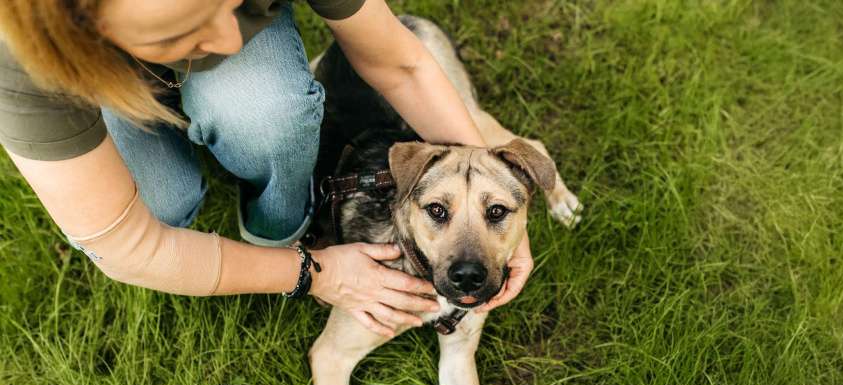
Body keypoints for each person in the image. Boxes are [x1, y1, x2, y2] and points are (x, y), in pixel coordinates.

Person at [0, 0, 534, 337]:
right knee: (161, 206)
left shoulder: (226, 32)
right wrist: (315, 274)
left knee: (272, 109)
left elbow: (403, 62)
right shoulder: (19, 60)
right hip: (97, 76)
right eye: (174, 33)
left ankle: (278, 229)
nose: (233, 41)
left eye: (239, 3)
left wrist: (497, 202)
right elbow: (126, 245)